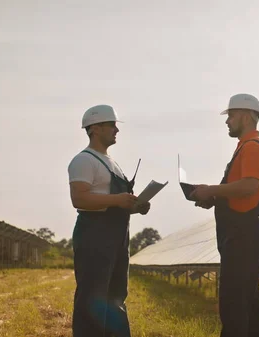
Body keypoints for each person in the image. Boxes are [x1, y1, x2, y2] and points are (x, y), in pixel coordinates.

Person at [191, 93, 259, 337]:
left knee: (234, 304)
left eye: (231, 115)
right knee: (246, 303)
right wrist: (214, 200)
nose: (227, 121)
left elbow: (249, 186)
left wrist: (210, 190)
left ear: (246, 116)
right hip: (238, 235)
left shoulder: (253, 148)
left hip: (242, 235)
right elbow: (240, 192)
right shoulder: (244, 148)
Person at [67, 104, 150, 337]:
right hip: (94, 234)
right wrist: (118, 200)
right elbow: (79, 198)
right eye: (111, 125)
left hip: (117, 236)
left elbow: (113, 203)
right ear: (94, 128)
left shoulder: (112, 162)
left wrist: (135, 206)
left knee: (115, 296)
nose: (116, 130)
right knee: (92, 297)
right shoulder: (84, 160)